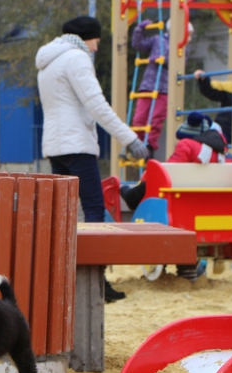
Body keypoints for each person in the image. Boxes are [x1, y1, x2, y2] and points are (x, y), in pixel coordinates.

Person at [36, 15, 150, 303]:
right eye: (97, 41)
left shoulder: (48, 61)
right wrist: (130, 138)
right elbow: (97, 105)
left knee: (62, 215)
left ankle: (61, 278)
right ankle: (96, 282)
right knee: (94, 211)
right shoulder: (77, 58)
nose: (97, 48)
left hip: (55, 146)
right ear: (87, 38)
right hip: (78, 145)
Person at [120, 113, 230, 281]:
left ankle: (127, 194)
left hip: (179, 198)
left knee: (145, 185)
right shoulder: (220, 152)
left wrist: (150, 174)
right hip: (204, 202)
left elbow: (170, 169)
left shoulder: (188, 145)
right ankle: (190, 272)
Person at [131, 19, 194, 156]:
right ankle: (136, 144)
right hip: (148, 85)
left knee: (156, 119)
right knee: (139, 118)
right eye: (187, 34)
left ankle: (149, 146)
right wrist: (139, 30)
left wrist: (161, 59)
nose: (189, 38)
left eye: (190, 35)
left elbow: (178, 65)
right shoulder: (157, 40)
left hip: (165, 89)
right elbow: (138, 45)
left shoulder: (183, 50)